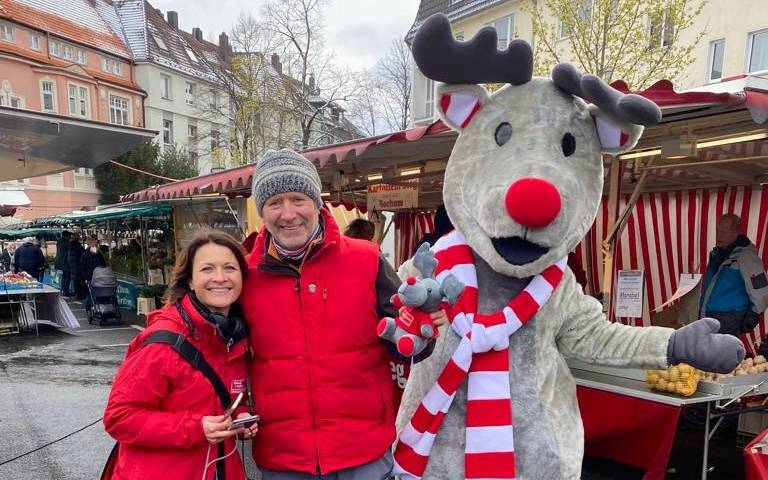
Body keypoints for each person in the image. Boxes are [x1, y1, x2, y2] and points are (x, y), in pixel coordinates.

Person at [240, 149, 445, 479]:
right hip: (284, 458)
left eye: (298, 199)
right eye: (275, 202)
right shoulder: (245, 275)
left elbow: (404, 333)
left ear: (317, 203)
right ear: (262, 210)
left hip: (361, 452)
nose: (288, 213)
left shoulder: (367, 260)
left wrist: (420, 337)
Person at [103, 230, 255, 480]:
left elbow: (223, 398)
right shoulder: (161, 344)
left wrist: (240, 417)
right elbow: (119, 418)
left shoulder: (234, 337)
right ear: (191, 281)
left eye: (230, 267)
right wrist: (195, 428)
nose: (220, 277)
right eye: (207, 269)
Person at [700, 214, 768, 337]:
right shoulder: (717, 255)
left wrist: (753, 315)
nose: (719, 235)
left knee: (724, 355)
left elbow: (761, 289)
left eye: (724, 232)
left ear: (735, 233)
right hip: (709, 316)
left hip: (730, 319)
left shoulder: (746, 256)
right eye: (718, 231)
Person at [66, 234, 85, 298]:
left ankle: (77, 294)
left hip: (72, 265)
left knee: (75, 280)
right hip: (77, 265)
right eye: (78, 237)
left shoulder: (69, 245)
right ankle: (79, 294)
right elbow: (82, 253)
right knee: (78, 280)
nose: (79, 237)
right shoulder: (77, 245)